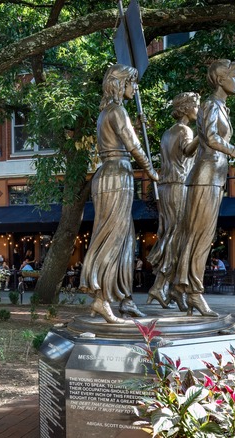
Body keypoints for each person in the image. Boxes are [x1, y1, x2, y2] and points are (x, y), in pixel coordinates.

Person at [171, 60, 235, 317]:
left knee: (201, 235)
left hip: (215, 176)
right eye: (234, 77)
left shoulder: (219, 107)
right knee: (200, 236)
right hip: (205, 176)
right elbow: (210, 138)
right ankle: (194, 293)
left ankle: (182, 285)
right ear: (220, 80)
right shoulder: (210, 105)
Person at [78, 63, 159, 324]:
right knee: (112, 239)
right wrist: (151, 170)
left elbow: (123, 138)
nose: (135, 88)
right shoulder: (117, 111)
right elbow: (133, 145)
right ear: (119, 84)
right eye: (131, 83)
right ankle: (101, 299)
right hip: (116, 176)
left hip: (112, 173)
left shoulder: (108, 113)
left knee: (125, 239)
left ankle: (125, 299)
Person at [147, 92, 200, 310]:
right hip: (179, 185)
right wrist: (203, 134)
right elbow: (188, 151)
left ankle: (174, 289)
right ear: (186, 108)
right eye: (196, 106)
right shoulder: (185, 130)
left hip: (166, 185)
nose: (198, 110)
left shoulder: (168, 133)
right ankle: (161, 285)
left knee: (171, 234)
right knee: (177, 236)